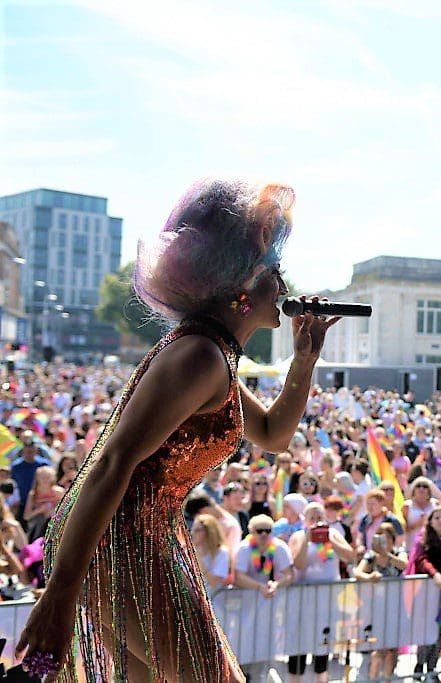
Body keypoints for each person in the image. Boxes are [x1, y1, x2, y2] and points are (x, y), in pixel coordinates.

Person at [18, 178, 338, 681]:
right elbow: (112, 463)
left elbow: (275, 434)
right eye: (274, 271)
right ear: (241, 286)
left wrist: (305, 358)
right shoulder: (200, 356)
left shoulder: (216, 356)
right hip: (123, 542)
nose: (286, 287)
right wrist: (59, 596)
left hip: (140, 539)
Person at [287, 502, 354, 683]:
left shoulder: (333, 533)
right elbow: (298, 564)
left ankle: (321, 679)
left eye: (319, 517)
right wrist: (307, 540)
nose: (316, 521)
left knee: (323, 639)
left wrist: (330, 541)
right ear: (305, 520)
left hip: (328, 598)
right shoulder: (298, 536)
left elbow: (350, 556)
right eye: (312, 518)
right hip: (304, 598)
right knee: (299, 641)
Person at [353, 522, 407, 681]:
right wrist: (369, 577)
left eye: (387, 537)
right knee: (379, 648)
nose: (385, 541)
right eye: (381, 537)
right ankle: (373, 678)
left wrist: (387, 554)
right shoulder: (371, 556)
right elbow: (357, 572)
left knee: (392, 649)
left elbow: (404, 564)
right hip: (377, 609)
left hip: (396, 607)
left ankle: (387, 678)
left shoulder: (399, 552)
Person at [410, 507, 441, 677]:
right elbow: (421, 560)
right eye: (437, 517)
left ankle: (432, 668)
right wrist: (435, 574)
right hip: (428, 592)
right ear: (430, 521)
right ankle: (419, 666)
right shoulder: (424, 540)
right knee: (427, 630)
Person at [190, 513, 232, 592]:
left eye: (197, 530)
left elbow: (214, 582)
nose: (192, 533)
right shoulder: (187, 552)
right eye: (192, 530)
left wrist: (197, 558)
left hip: (214, 601)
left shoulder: (222, 553)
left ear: (209, 531)